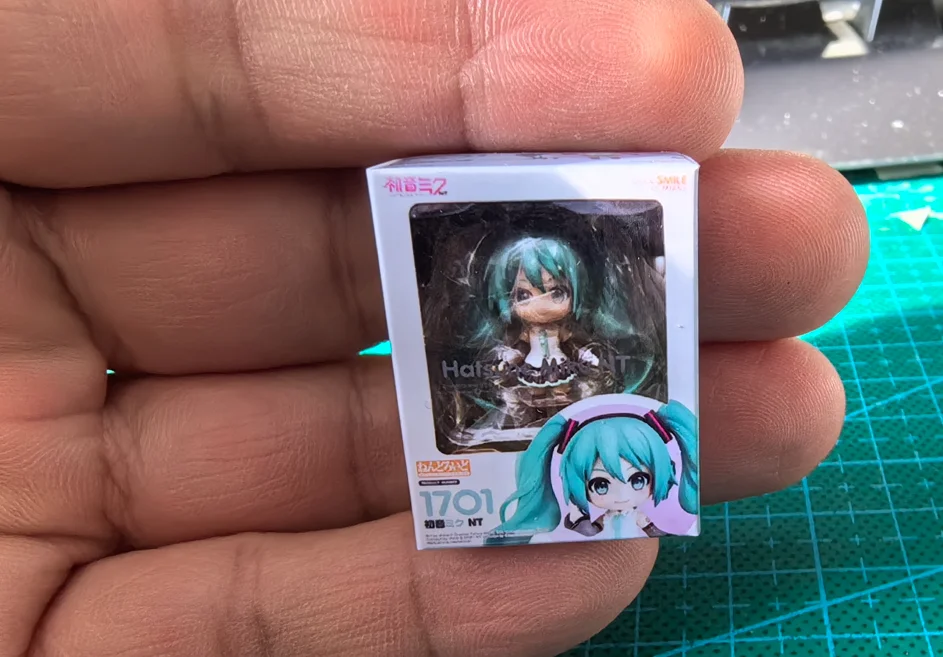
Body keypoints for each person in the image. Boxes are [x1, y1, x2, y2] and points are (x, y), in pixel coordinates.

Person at [0, 1, 868, 655]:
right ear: (502, 294)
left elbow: (604, 381)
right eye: (525, 290)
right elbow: (494, 389)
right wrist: (514, 386)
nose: (541, 300)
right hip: (517, 425)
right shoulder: (501, 352)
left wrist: (580, 380)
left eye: (554, 289)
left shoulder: (592, 348)